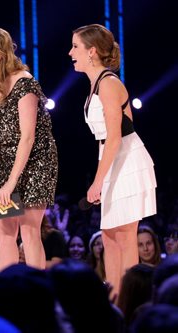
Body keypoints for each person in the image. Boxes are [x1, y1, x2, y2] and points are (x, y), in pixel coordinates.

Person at [69, 24, 157, 296]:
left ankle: (132, 302)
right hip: (112, 158)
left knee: (125, 236)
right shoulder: (97, 84)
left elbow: (116, 138)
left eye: (75, 47)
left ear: (91, 51)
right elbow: (106, 140)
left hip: (127, 161)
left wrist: (98, 182)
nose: (70, 52)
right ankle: (116, 297)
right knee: (109, 237)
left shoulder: (108, 83)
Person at [0, 27, 58, 270]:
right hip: (4, 157)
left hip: (36, 159)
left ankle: (35, 289)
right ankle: (7, 288)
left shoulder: (24, 83)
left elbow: (27, 137)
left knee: (29, 229)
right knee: (4, 229)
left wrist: (11, 181)